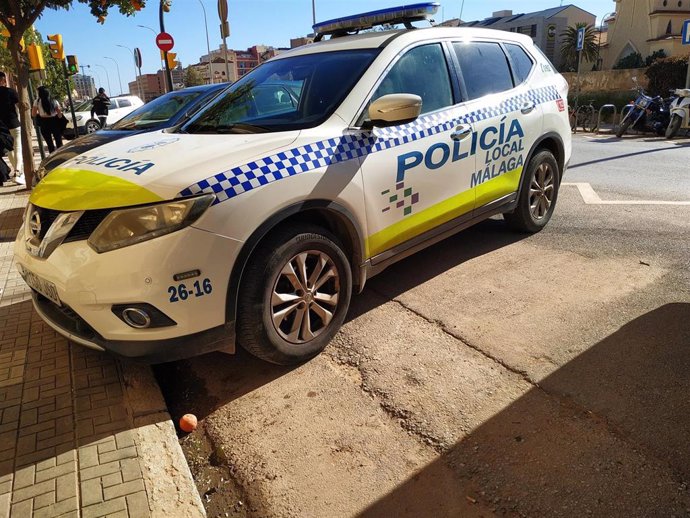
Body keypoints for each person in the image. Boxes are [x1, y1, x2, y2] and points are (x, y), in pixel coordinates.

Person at [0, 71, 22, 179]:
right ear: (4, 80)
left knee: (9, 149)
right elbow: (20, 106)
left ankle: (17, 171)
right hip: (13, 123)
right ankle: (18, 171)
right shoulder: (11, 92)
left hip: (2, 127)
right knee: (17, 147)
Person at [32, 86, 63, 153]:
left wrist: (40, 112)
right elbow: (59, 114)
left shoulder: (37, 101)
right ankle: (61, 156)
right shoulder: (54, 101)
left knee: (49, 144)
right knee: (59, 141)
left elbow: (33, 114)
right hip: (54, 121)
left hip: (44, 122)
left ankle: (53, 158)